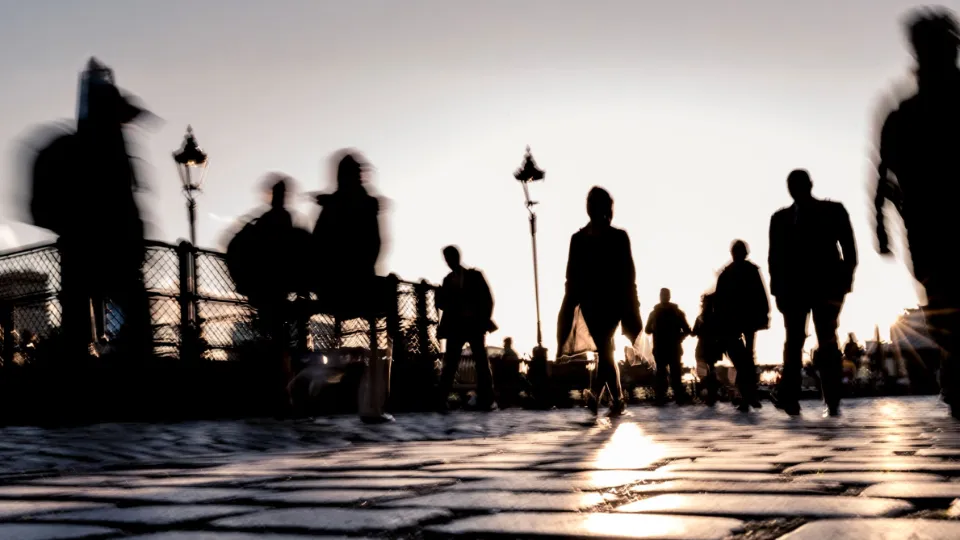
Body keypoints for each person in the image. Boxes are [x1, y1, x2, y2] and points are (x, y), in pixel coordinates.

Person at [874, 7, 960, 418]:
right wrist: (880, 223)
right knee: (943, 303)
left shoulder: (902, 114)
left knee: (942, 302)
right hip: (926, 224)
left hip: (925, 224)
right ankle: (955, 370)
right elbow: (884, 177)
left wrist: (880, 224)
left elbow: (882, 178)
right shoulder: (902, 115)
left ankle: (955, 371)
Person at [769, 169, 857, 417]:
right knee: (802, 342)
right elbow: (774, 258)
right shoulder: (783, 218)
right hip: (798, 290)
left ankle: (824, 398)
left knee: (816, 341)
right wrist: (778, 291)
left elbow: (849, 249)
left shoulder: (830, 211)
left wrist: (844, 282)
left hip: (821, 287)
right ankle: (802, 397)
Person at [557, 187, 642, 417]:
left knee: (605, 348)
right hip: (599, 302)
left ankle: (596, 395)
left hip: (606, 302)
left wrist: (632, 303)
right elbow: (572, 275)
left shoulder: (605, 237)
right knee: (606, 349)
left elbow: (627, 273)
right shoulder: (588, 238)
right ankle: (616, 399)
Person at [436, 246, 498, 411]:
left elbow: (487, 300)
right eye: (447, 259)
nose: (448, 262)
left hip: (472, 325)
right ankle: (442, 400)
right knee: (453, 364)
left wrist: (482, 320)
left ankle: (485, 399)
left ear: (456, 257)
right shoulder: (451, 280)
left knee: (480, 363)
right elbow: (443, 304)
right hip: (458, 327)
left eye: (449, 258)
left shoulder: (472, 276)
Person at [714, 239, 770, 411]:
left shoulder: (727, 273)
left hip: (735, 323)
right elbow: (761, 295)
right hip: (746, 321)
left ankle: (747, 395)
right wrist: (764, 315)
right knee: (747, 358)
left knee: (742, 359)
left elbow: (719, 302)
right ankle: (749, 395)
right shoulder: (749, 271)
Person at [646, 288, 692, 405]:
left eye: (664, 295)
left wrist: (678, 338)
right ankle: (674, 397)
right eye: (663, 295)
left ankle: (665, 397)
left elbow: (647, 330)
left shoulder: (657, 313)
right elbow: (687, 330)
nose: (663, 297)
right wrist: (679, 338)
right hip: (668, 348)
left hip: (666, 348)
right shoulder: (675, 312)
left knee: (667, 373)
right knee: (670, 373)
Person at [691, 293, 722, 406]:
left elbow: (694, 332)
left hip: (702, 347)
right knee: (711, 370)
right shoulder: (716, 317)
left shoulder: (700, 318)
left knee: (703, 372)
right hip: (713, 347)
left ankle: (707, 394)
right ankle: (712, 394)